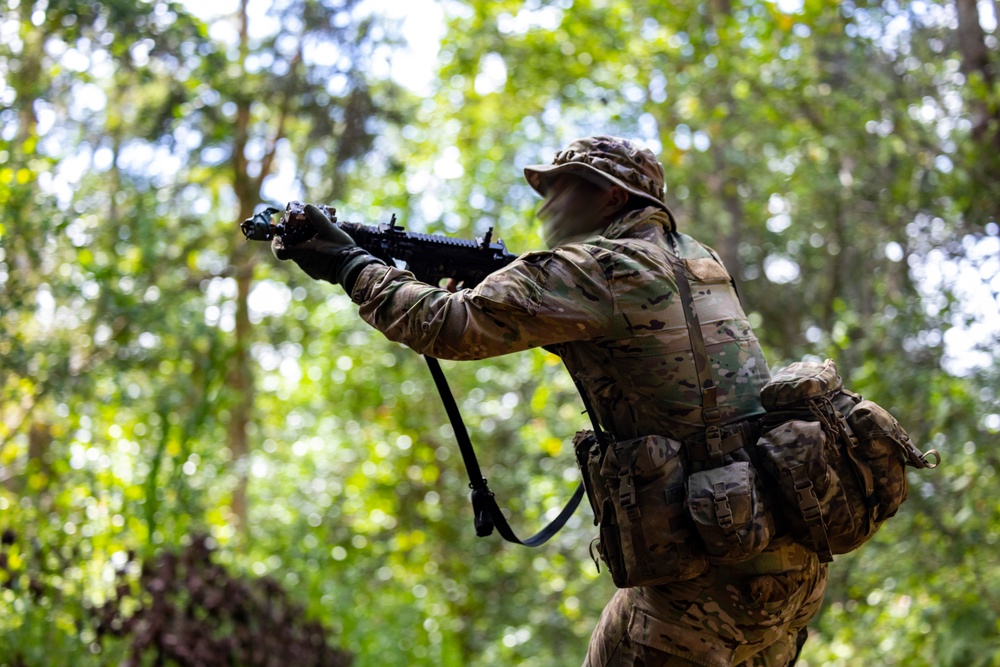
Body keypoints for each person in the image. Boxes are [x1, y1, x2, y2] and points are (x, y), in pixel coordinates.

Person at [271, 136, 828, 666]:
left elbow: (448, 326)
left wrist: (348, 264)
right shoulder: (699, 262)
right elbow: (649, 358)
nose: (548, 208)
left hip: (706, 585)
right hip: (787, 560)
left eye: (565, 190)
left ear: (612, 197)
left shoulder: (601, 267)